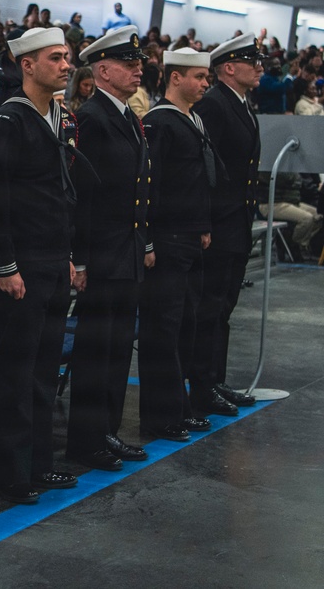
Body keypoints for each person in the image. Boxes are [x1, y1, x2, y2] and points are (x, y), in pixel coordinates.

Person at [0, 27, 79, 504]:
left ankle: (40, 462)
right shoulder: (10, 120)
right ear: (27, 64)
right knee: (17, 370)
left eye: (67, 57)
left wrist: (66, 257)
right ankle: (11, 470)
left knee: (44, 367)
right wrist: (5, 265)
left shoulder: (56, 115)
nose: (66, 65)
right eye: (56, 58)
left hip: (50, 259)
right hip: (21, 263)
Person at [65, 26, 150, 472]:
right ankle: (86, 439)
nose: (138, 70)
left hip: (126, 252)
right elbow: (84, 195)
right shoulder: (94, 118)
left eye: (138, 64)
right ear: (102, 70)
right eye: (128, 64)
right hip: (101, 255)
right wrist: (79, 258)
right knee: (97, 353)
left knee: (118, 351)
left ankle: (107, 431)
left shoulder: (126, 116)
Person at [138, 47, 216, 442]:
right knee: (162, 331)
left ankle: (179, 407)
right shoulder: (159, 122)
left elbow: (197, 181)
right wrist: (148, 240)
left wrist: (202, 225)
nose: (205, 84)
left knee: (186, 325)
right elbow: (148, 185)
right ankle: (160, 415)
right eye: (199, 77)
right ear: (175, 78)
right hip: (166, 239)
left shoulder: (194, 119)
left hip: (189, 236)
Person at [188, 33, 265, 415]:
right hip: (220, 222)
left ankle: (214, 380)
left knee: (224, 306)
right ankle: (203, 385)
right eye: (252, 61)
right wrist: (207, 220)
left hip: (237, 220)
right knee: (211, 307)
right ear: (229, 67)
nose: (260, 67)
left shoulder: (242, 104)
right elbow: (205, 170)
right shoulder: (216, 105)